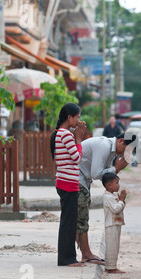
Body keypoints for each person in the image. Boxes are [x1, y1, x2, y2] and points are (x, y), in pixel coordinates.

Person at [77, 134, 134, 265]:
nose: (125, 153)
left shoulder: (112, 151)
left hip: (83, 181)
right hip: (77, 180)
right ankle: (86, 254)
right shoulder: (104, 146)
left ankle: (85, 252)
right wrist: (116, 168)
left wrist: (115, 171)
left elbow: (106, 176)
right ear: (120, 141)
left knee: (81, 217)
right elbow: (96, 173)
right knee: (82, 218)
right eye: (126, 149)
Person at [50, 102, 87, 267]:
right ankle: (67, 259)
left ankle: (69, 258)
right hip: (67, 183)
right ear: (69, 117)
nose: (79, 120)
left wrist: (76, 136)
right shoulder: (65, 135)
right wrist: (79, 139)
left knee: (69, 222)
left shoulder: (62, 133)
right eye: (77, 117)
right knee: (68, 223)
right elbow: (77, 158)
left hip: (66, 182)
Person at [102, 172, 127, 274]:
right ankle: (111, 267)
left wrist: (121, 200)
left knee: (115, 245)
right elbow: (116, 209)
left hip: (116, 223)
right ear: (109, 185)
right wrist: (121, 200)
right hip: (111, 225)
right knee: (112, 246)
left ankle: (111, 266)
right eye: (116, 183)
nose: (119, 185)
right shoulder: (107, 197)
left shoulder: (113, 195)